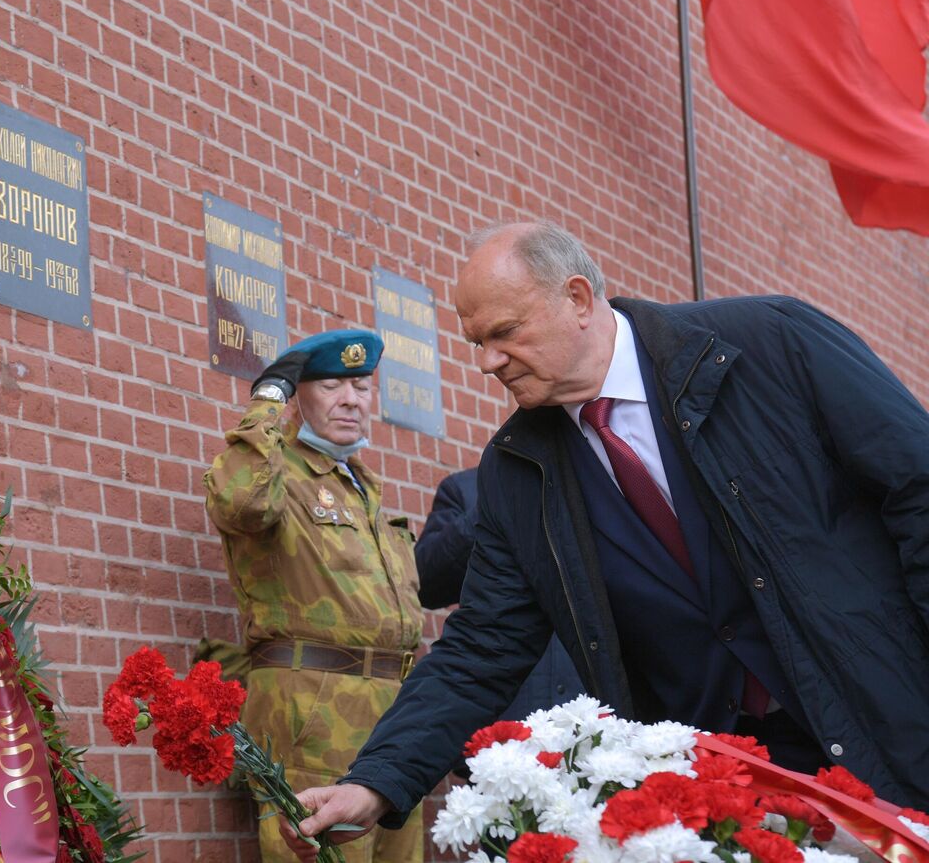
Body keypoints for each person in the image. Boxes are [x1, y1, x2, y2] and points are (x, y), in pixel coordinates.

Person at [281, 222, 929, 859]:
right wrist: (375, 778)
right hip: (717, 798)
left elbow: (918, 486)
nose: (487, 362)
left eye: (505, 332)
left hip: (885, 729)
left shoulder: (770, 345)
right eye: (477, 341)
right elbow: (483, 646)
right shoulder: (518, 471)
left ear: (579, 300)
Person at [204, 329, 424, 863]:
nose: (352, 399)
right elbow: (239, 503)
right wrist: (266, 404)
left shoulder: (362, 485)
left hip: (393, 714)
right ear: (299, 396)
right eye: (330, 386)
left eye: (363, 387)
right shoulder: (278, 474)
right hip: (315, 710)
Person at [416, 466, 582, 730]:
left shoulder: (601, 485)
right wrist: (494, 505)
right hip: (503, 716)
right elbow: (426, 583)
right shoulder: (465, 489)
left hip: (591, 720)